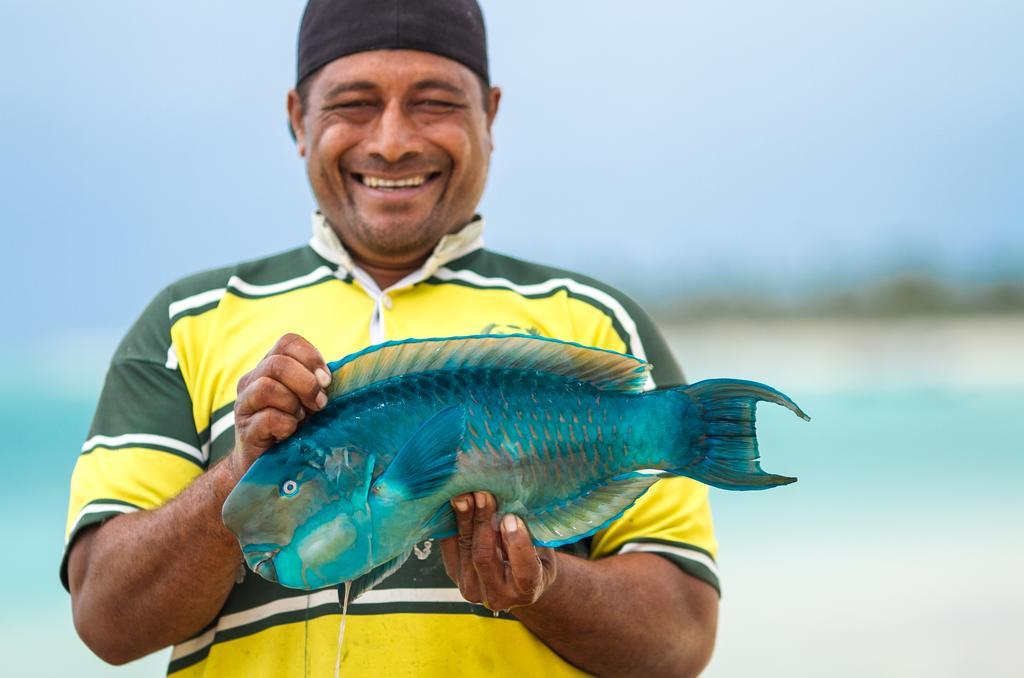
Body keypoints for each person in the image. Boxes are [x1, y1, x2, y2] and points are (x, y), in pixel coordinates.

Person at [62, 1, 719, 675]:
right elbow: (106, 622)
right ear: (297, 118)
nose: (394, 140)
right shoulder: (185, 322)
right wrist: (240, 472)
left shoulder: (598, 322)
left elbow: (681, 640)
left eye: (434, 103)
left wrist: (542, 585)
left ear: (489, 116)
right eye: (354, 104)